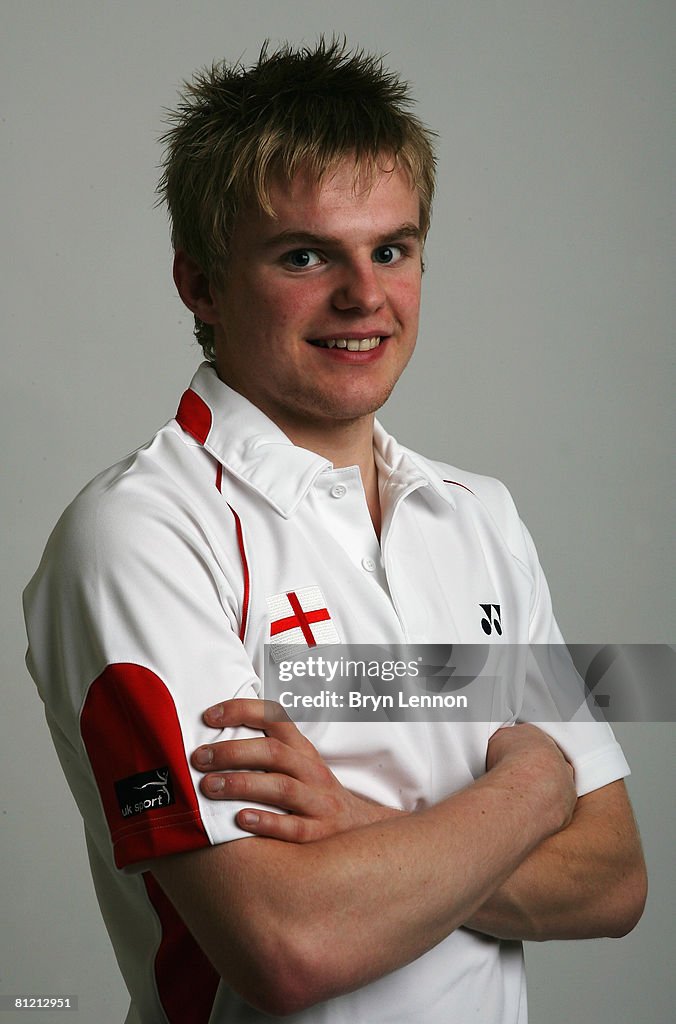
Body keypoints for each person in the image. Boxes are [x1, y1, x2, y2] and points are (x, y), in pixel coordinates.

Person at [23, 39, 646, 1024]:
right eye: (305, 254)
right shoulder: (138, 536)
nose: (364, 296)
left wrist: (359, 828)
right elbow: (290, 943)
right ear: (200, 282)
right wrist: (530, 787)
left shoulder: (478, 515)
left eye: (391, 248)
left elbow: (613, 879)